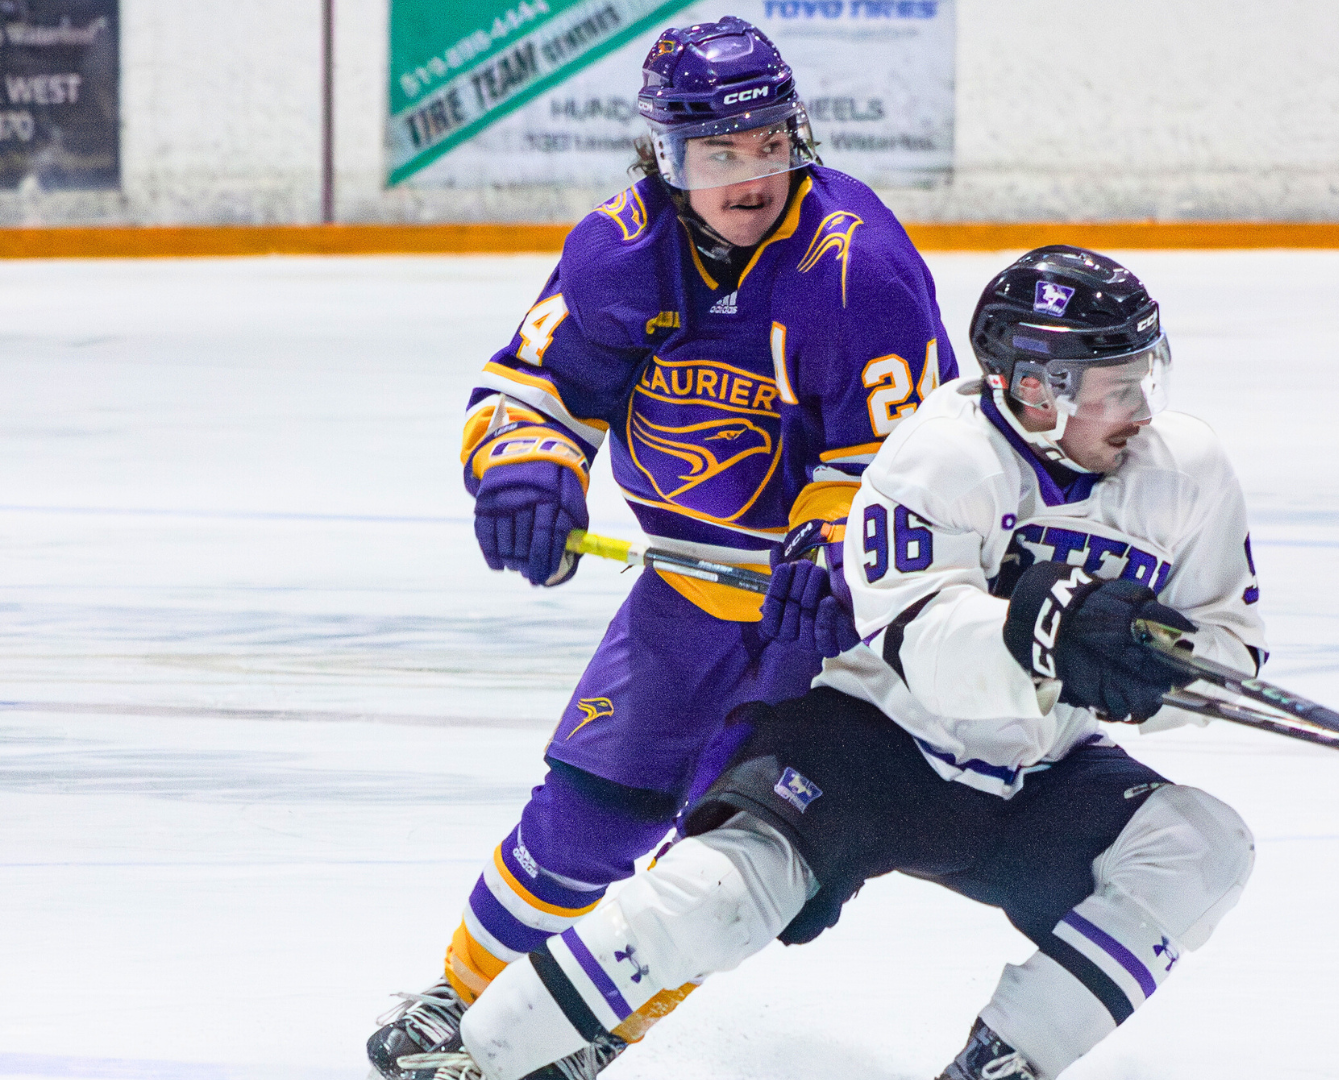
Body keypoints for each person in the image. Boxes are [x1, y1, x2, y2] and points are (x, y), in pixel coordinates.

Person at [440, 247, 1266, 1080]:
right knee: (714, 898)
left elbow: (1231, 648)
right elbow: (925, 643)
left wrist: (1153, 669)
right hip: (871, 746)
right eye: (1114, 386)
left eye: (1144, 377)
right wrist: (1046, 639)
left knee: (1204, 843)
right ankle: (477, 1059)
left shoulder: (1186, 471)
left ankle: (1001, 1063)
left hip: (1037, 774)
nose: (1140, 409)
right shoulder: (940, 452)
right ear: (1033, 386)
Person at [366, 16, 957, 1079]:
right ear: (665, 158)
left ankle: (601, 1031)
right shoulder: (621, 248)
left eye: (769, 143)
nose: (749, 176)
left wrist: (833, 546)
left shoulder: (855, 263)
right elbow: (533, 384)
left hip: (821, 624)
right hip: (683, 597)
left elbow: (907, 454)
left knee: (731, 864)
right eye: (716, 155)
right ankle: (460, 997)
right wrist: (524, 464)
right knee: (582, 817)